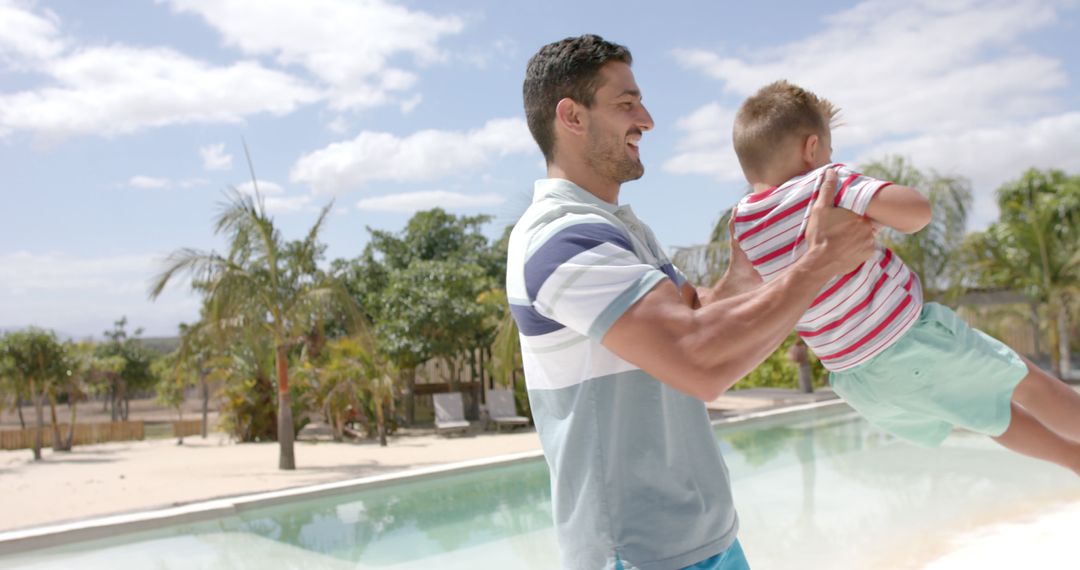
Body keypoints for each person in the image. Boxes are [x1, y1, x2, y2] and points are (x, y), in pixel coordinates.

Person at [508, 35, 876, 570]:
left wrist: (750, 262)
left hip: (707, 537)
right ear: (572, 116)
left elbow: (697, 317)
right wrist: (819, 264)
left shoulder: (620, 229)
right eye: (625, 103)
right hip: (638, 553)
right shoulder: (561, 240)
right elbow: (699, 363)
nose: (648, 119)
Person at [729, 79, 1080, 473]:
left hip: (858, 381)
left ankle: (1073, 458)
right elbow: (917, 213)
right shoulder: (825, 183)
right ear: (813, 149)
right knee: (1024, 381)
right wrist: (869, 210)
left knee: (990, 415)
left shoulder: (743, 222)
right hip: (908, 341)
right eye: (829, 148)